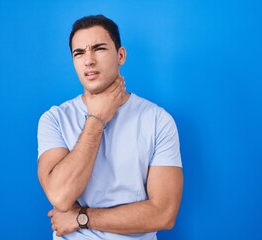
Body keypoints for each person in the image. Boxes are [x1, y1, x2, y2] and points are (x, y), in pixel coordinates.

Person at [37, 15, 183, 240]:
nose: (89, 61)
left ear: (121, 55)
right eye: (79, 53)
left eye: (99, 48)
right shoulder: (54, 119)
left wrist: (81, 218)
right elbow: (61, 195)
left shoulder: (158, 120)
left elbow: (164, 214)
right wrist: (96, 119)